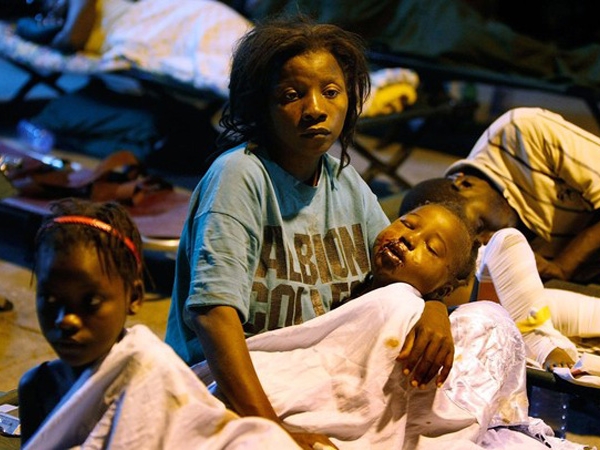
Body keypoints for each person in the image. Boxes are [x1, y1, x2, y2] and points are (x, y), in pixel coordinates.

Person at [165, 16, 455, 449]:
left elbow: (400, 274)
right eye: (291, 95)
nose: (316, 108)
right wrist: (272, 432)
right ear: (260, 105)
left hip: (317, 374)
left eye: (331, 92)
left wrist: (435, 309)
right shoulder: (240, 176)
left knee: (480, 322)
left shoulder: (344, 181)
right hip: (235, 382)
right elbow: (213, 315)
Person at [200, 203, 585, 449]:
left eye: (431, 248)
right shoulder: (370, 293)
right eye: (407, 223)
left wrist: (432, 306)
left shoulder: (426, 308)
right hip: (276, 404)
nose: (408, 239)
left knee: (490, 316)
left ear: (445, 287)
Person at [18, 198, 299, 449]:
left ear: (134, 297)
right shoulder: (37, 388)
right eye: (51, 300)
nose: (66, 319)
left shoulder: (154, 373)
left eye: (90, 302)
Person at [400, 107, 600, 285]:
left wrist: (563, 265)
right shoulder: (477, 249)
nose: (488, 241)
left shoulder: (522, 133)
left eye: (480, 226)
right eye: (475, 245)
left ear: (466, 184)